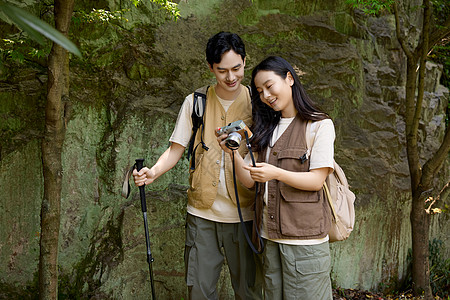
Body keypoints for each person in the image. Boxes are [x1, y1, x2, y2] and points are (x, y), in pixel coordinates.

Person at [133, 32, 261, 300]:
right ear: (210, 67)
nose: (230, 77)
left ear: (245, 62)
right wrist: (153, 172)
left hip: (247, 214)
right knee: (200, 292)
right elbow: (175, 149)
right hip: (202, 214)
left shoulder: (259, 103)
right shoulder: (196, 102)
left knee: (249, 291)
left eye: (236, 68)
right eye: (222, 70)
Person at [217, 56, 335, 300]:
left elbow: (316, 181)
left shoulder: (319, 125)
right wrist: (233, 155)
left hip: (305, 243)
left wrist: (275, 173)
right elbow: (249, 180)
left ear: (289, 78)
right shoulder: (265, 128)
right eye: (260, 91)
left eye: (270, 86)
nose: (266, 96)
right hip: (269, 238)